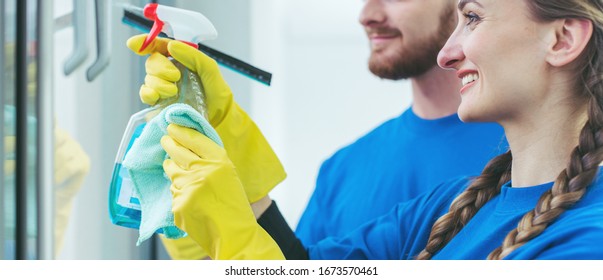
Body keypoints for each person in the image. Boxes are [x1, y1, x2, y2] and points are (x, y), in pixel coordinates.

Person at [159, 0, 603, 259]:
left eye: (472, 17)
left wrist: (234, 234)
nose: (448, 54)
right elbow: (302, 266)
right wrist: (222, 136)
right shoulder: (445, 208)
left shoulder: (587, 241)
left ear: (562, 39)